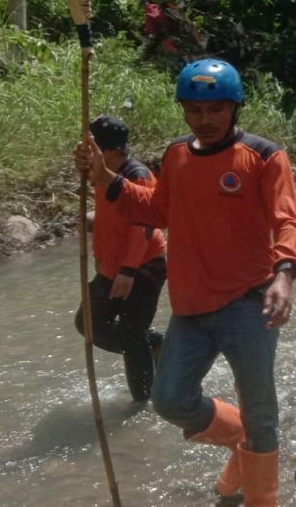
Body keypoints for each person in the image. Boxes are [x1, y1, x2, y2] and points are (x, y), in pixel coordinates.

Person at [77, 59, 296, 507]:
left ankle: (261, 497)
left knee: (262, 410)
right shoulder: (177, 154)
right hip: (192, 308)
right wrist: (104, 178)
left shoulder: (264, 156)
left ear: (235, 107)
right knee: (170, 400)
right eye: (195, 110)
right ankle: (239, 436)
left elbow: (287, 222)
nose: (206, 119)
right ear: (184, 110)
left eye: (216, 109)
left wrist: (284, 275)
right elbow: (156, 210)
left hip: (249, 302)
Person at [73, 115, 167, 403]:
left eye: (95, 150)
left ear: (113, 152)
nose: (90, 155)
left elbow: (144, 226)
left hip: (143, 266)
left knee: (129, 331)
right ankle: (157, 345)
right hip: (112, 267)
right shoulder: (101, 172)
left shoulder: (137, 175)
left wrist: (128, 271)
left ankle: (143, 401)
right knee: (87, 324)